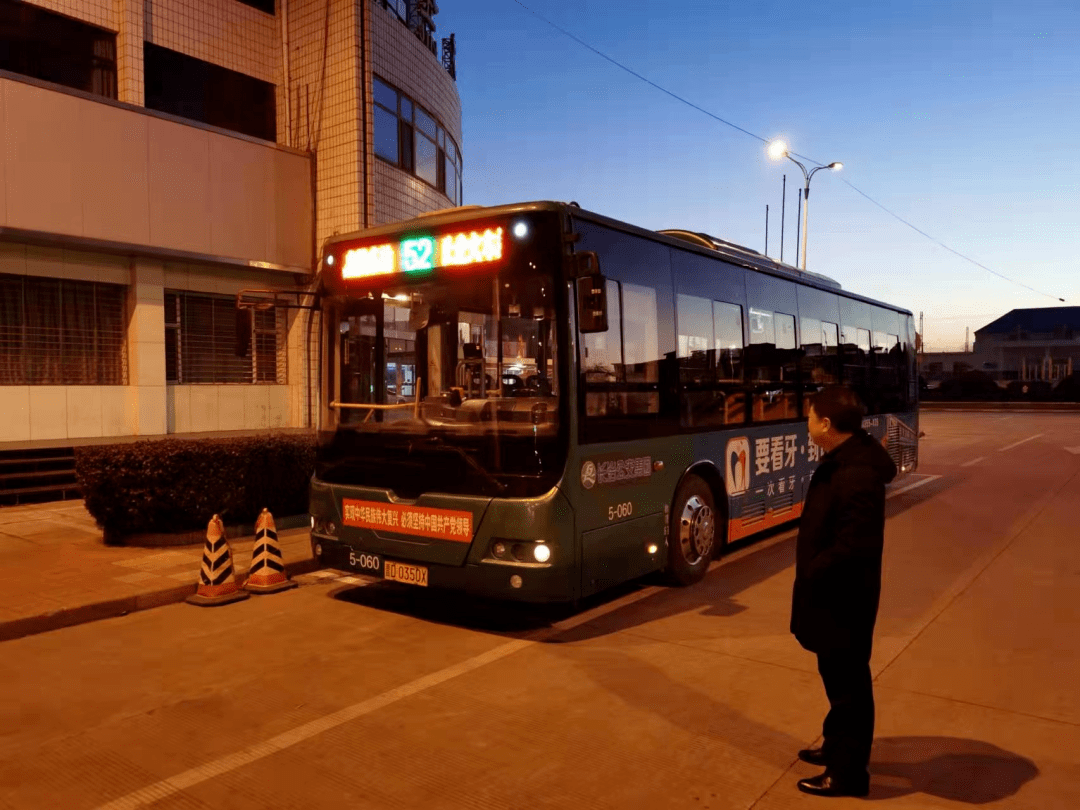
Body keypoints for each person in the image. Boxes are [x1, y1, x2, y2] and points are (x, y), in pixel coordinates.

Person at [791, 385, 897, 797]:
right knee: (836, 678)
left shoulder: (855, 473)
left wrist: (815, 571)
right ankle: (835, 746)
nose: (807, 424)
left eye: (810, 417)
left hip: (843, 598)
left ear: (827, 425)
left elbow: (855, 544)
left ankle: (848, 773)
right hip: (834, 596)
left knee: (849, 684)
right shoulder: (845, 459)